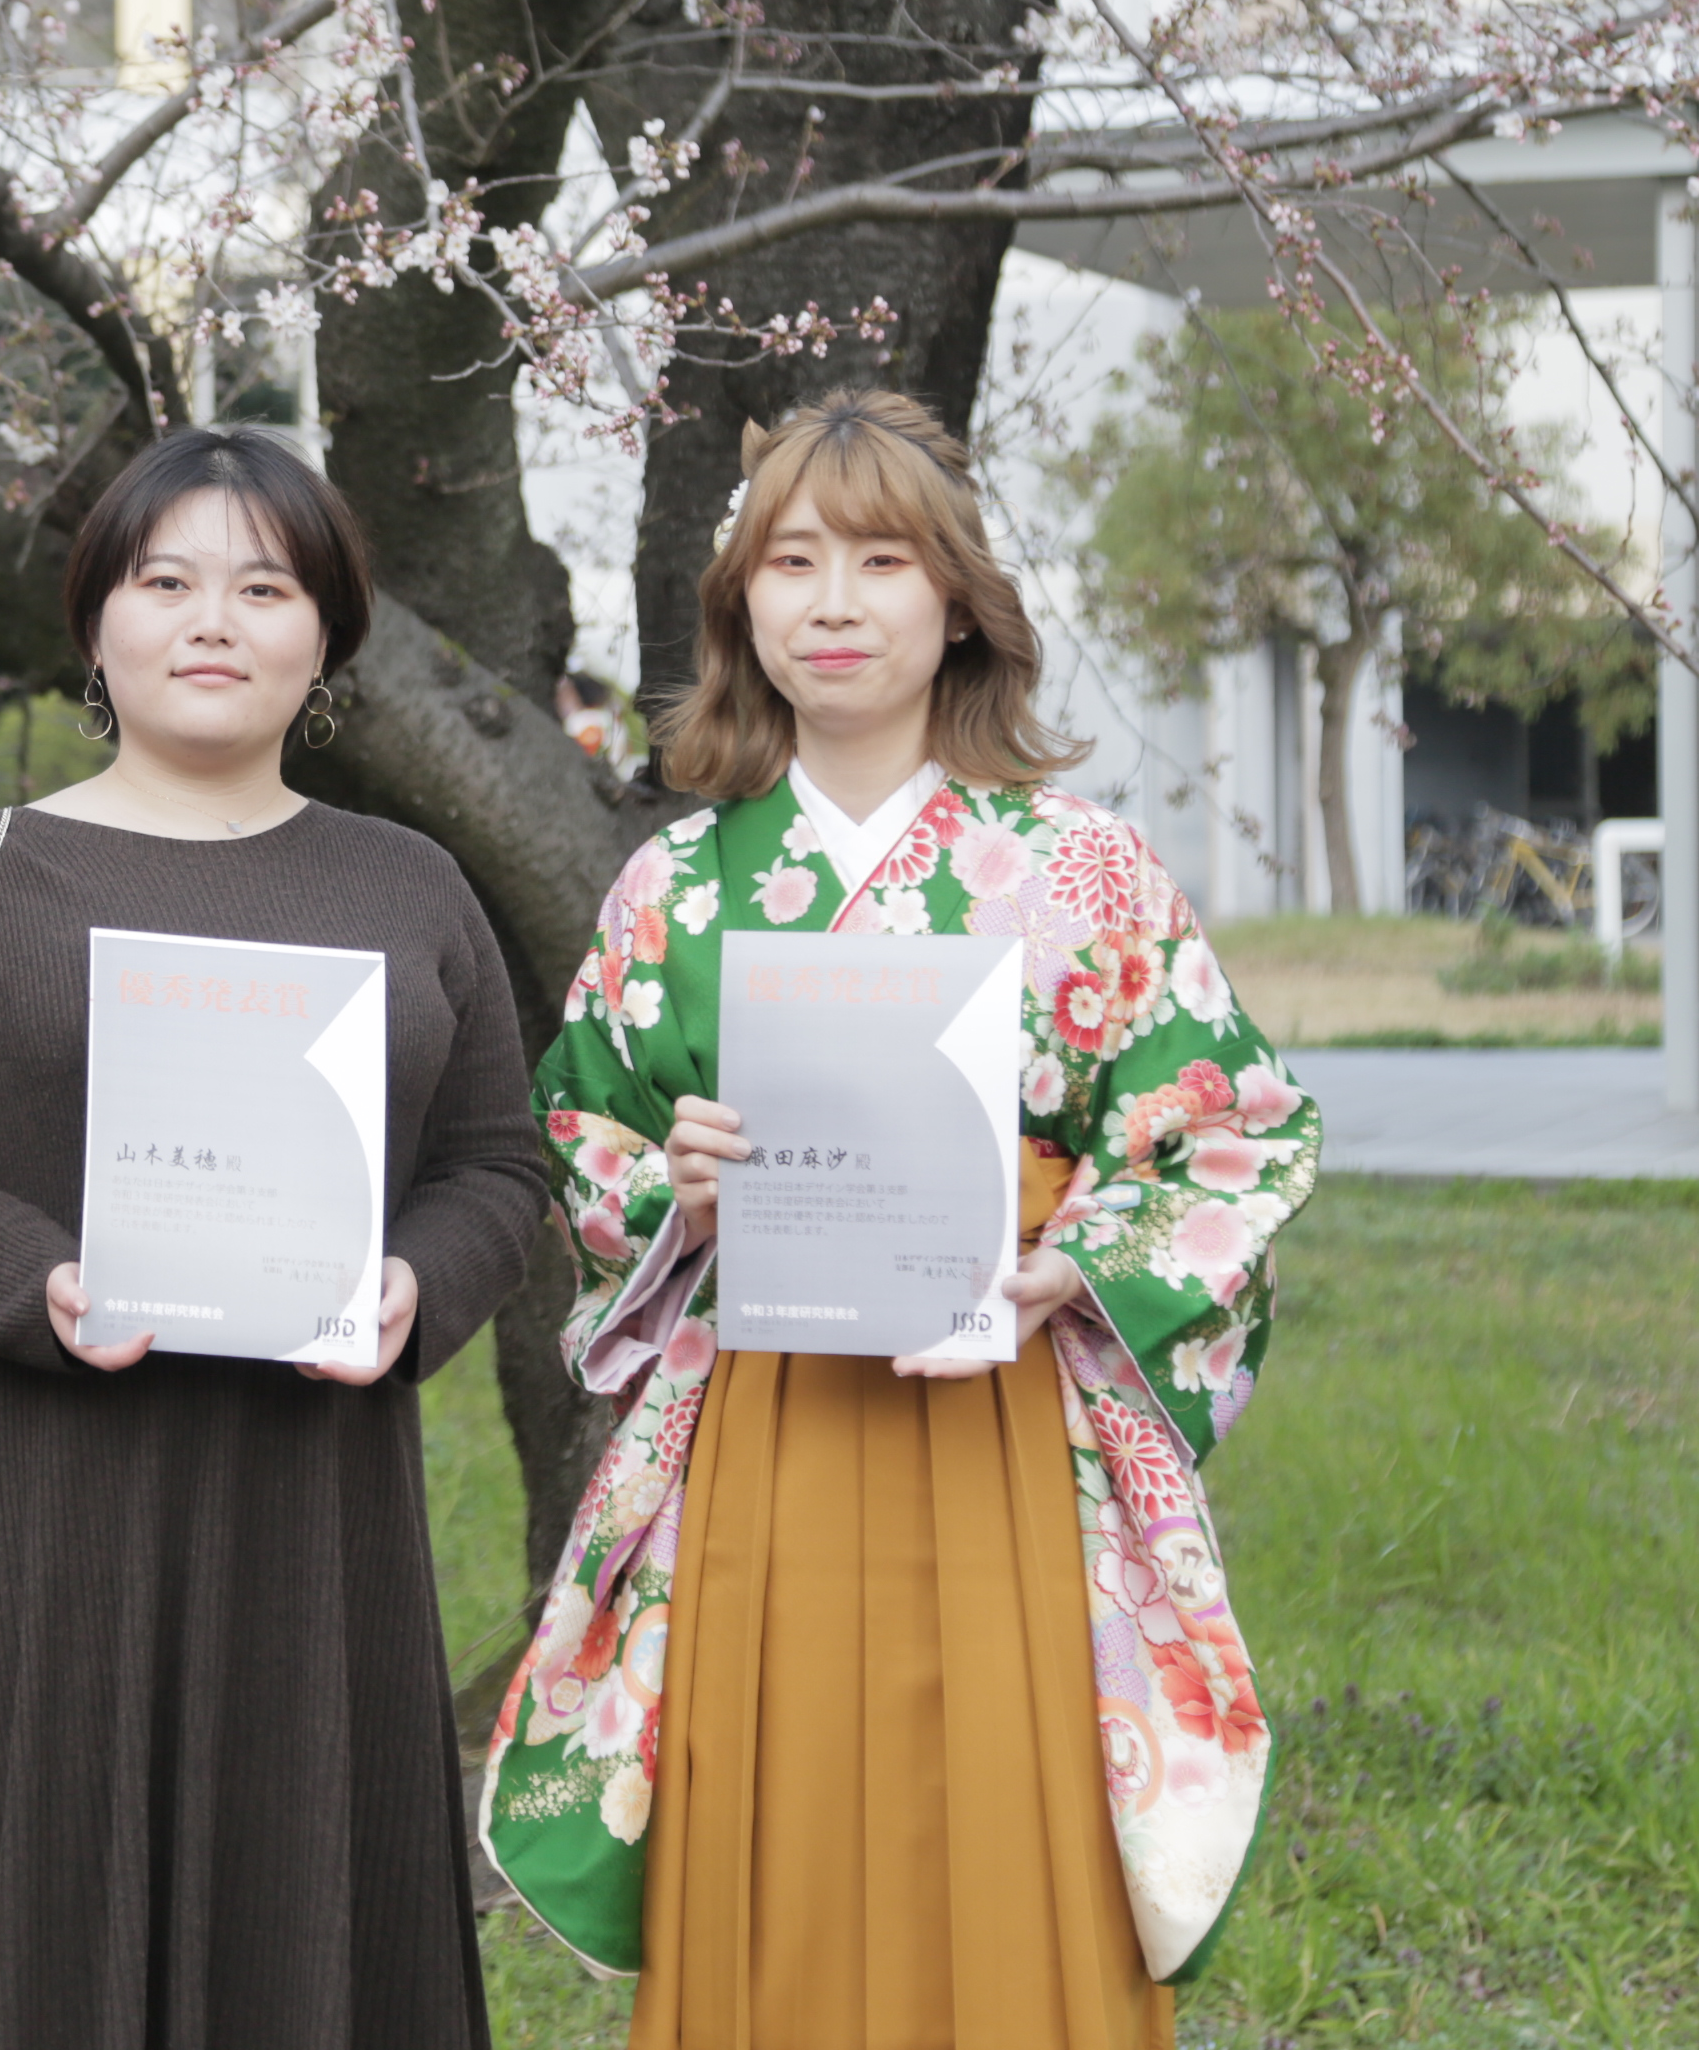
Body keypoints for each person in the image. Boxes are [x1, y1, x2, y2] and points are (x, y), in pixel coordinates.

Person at [480, 389, 1320, 2048]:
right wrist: (679, 1187)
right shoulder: (679, 884)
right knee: (770, 1787)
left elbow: (1228, 1132)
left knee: (1004, 1805)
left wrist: (1064, 1259)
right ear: (742, 612)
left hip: (997, 1407)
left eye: (882, 559)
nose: (836, 600)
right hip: (769, 1416)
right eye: (791, 562)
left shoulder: (1084, 870)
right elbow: (578, 1131)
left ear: (958, 606)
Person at [0, 425, 550, 2050]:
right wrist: (28, 1278)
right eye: (167, 580)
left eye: (265, 586)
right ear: (96, 623)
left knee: (320, 1881)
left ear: (329, 636)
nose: (214, 619)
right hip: (65, 1478)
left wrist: (420, 1286)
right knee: (69, 1880)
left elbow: (500, 1163)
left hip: (320, 1492)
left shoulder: (408, 884)